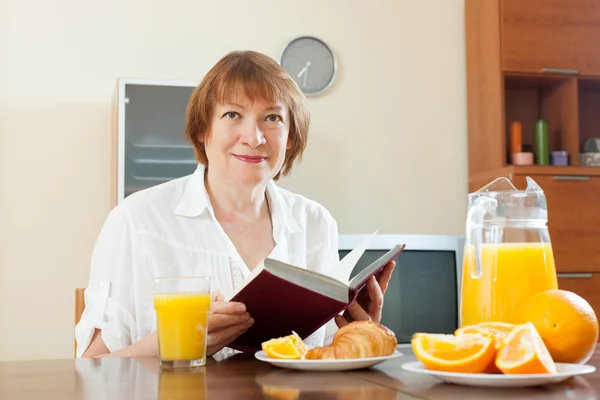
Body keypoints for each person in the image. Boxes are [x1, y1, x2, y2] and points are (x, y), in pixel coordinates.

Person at [75, 50, 395, 359]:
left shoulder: (316, 223)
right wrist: (179, 341)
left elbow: (322, 355)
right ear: (202, 129)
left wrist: (356, 333)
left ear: (291, 138)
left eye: (272, 118)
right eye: (232, 114)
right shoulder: (136, 220)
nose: (253, 137)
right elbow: (91, 367)